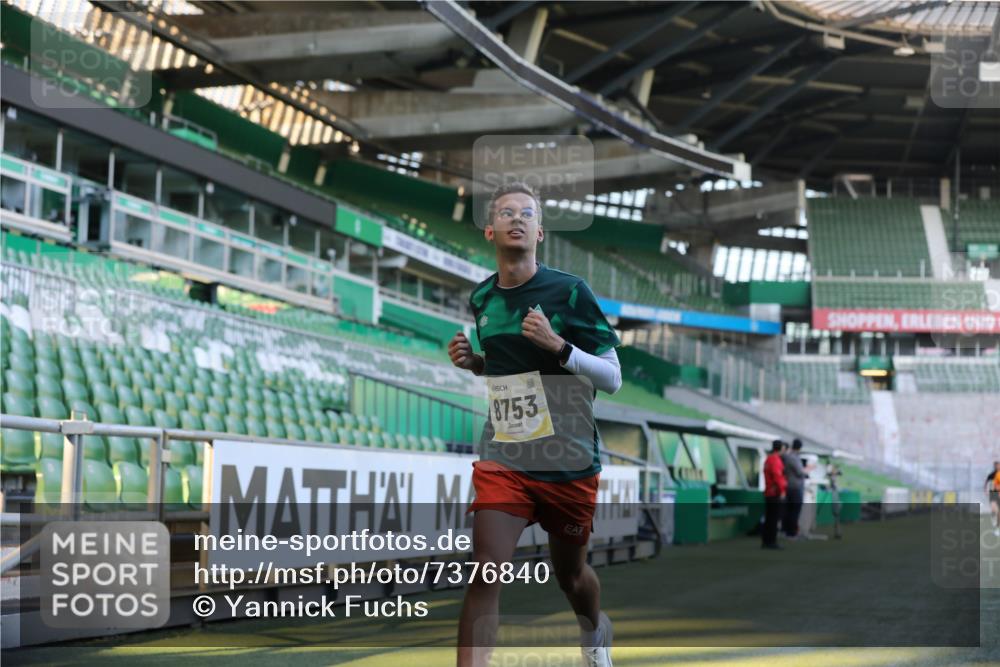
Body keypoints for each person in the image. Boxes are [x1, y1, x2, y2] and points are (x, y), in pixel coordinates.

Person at [448, 182, 623, 667]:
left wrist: (559, 347)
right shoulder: (481, 297)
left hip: (568, 460)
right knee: (485, 571)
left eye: (527, 213)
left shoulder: (569, 291)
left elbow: (613, 378)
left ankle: (593, 632)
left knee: (571, 576)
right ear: (491, 230)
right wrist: (477, 364)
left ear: (540, 232)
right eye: (506, 212)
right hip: (505, 455)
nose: (517, 218)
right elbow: (508, 369)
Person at [762, 440, 787, 550]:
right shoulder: (776, 460)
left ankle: (766, 541)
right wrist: (782, 490)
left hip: (768, 492)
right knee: (774, 518)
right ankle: (771, 541)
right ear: (781, 448)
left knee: (769, 518)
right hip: (774, 493)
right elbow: (778, 477)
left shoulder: (768, 459)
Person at [781, 439, 807, 538]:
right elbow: (800, 472)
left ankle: (788, 530)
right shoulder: (793, 458)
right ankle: (791, 532)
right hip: (795, 487)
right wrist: (807, 469)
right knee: (794, 510)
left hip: (790, 486)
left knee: (789, 509)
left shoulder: (788, 456)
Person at [986, 461, 1000, 537]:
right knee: (994, 509)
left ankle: (998, 528)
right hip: (994, 494)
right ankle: (994, 519)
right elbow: (991, 485)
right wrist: (987, 491)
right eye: (996, 465)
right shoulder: (992, 475)